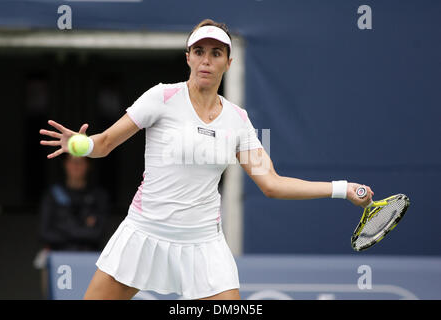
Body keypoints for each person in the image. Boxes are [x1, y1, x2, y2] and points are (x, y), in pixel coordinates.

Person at [39, 19, 374, 300]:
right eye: (199, 52)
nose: (206, 60)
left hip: (203, 245)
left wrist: (343, 188)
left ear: (229, 62)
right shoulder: (161, 97)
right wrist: (80, 145)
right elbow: (106, 142)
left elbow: (271, 183)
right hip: (144, 233)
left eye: (216, 53)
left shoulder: (239, 120)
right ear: (188, 57)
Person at [34, 154, 110, 298]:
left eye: (80, 162)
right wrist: (83, 229)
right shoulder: (52, 194)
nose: (76, 166)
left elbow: (98, 234)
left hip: (90, 258)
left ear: (88, 165)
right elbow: (44, 233)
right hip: (57, 256)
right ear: (65, 165)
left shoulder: (99, 195)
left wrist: (63, 227)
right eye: (72, 162)